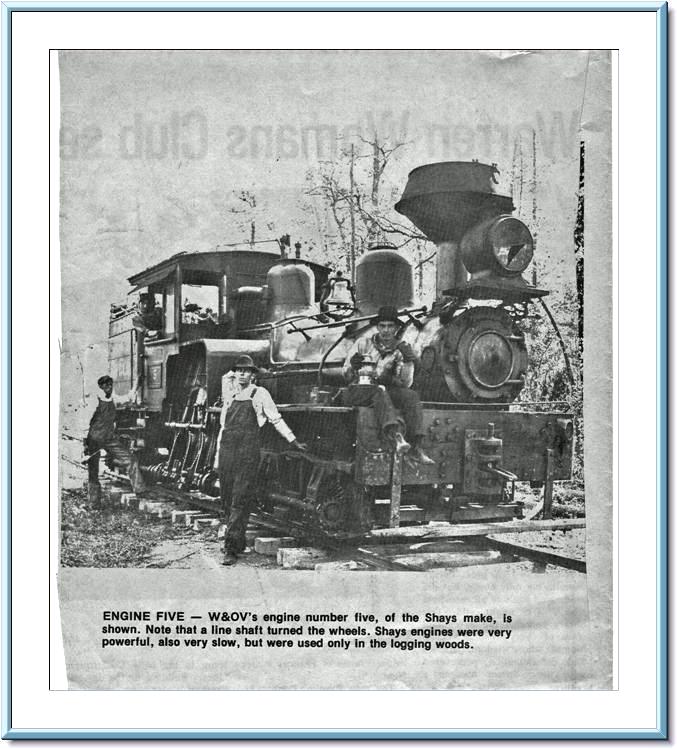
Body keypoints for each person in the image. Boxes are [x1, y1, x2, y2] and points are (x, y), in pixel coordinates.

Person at [216, 355, 307, 566]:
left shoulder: (260, 394)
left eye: (246, 371)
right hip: (227, 449)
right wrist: (216, 458)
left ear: (253, 375)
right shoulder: (229, 393)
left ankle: (231, 548)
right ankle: (237, 542)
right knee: (227, 496)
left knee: (240, 497)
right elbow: (223, 427)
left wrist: (293, 440)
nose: (241, 373)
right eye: (238, 370)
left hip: (247, 451)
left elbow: (276, 419)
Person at [341, 306, 434, 465]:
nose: (386, 330)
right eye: (382, 326)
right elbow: (346, 374)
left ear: (396, 328)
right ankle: (396, 436)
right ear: (377, 327)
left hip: (381, 391)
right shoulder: (363, 343)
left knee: (411, 396)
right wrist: (353, 366)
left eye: (390, 326)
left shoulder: (399, 349)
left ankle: (416, 447)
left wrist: (408, 361)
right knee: (379, 390)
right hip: (357, 390)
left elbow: (406, 384)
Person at [84, 375, 147, 507]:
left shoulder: (113, 399)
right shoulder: (95, 401)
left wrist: (136, 385)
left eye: (110, 385)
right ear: (100, 387)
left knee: (130, 459)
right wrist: (86, 444)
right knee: (93, 470)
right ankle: (93, 502)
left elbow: (128, 398)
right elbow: (87, 422)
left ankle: (140, 491)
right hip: (94, 438)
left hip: (109, 438)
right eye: (106, 385)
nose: (109, 388)